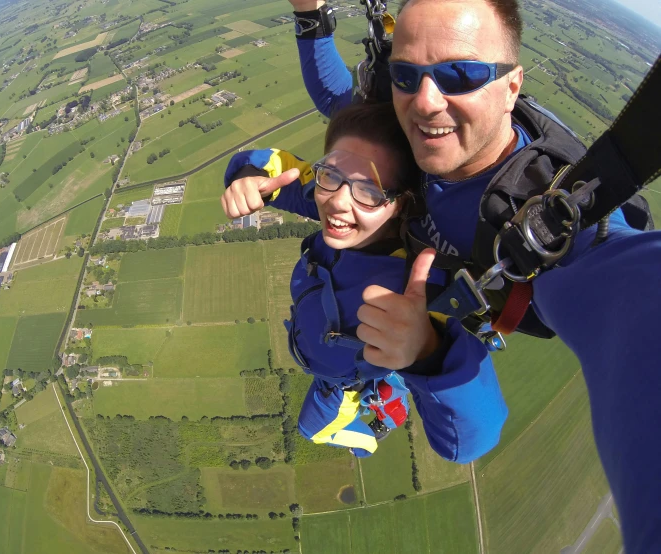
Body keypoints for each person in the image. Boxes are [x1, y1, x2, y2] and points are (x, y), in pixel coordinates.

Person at [282, 0, 661, 551]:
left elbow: (638, 306)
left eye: (462, 74)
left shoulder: (553, 226)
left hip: (431, 334)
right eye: (405, 75)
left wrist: (429, 353)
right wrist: (311, 17)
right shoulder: (419, 135)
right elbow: (339, 104)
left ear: (511, 86)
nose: (427, 100)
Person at [222, 102, 507, 460]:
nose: (338, 202)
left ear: (399, 204)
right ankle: (392, 385)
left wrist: (428, 353)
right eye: (329, 175)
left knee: (314, 430)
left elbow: (469, 442)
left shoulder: (416, 290)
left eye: (369, 191)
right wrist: (246, 175)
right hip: (331, 355)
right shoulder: (338, 204)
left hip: (342, 383)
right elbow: (276, 168)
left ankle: (375, 428)